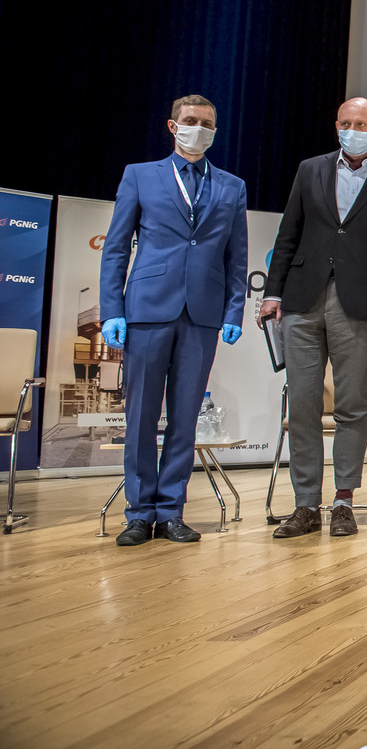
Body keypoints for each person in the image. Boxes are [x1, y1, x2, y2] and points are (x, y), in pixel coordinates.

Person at [258, 97, 367, 539]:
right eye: (346, 123)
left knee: (352, 406)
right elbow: (288, 234)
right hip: (301, 300)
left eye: (361, 124)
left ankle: (344, 501)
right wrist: (272, 292)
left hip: (362, 302)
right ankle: (306, 504)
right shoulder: (310, 169)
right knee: (303, 405)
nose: (353, 130)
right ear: (336, 126)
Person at [99, 95, 249, 545]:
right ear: (172, 125)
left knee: (185, 418)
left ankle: (170, 511)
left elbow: (237, 256)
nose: (198, 128)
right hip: (147, 309)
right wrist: (112, 310)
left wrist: (234, 309)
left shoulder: (232, 186)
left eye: (207, 123)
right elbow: (116, 247)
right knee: (141, 417)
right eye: (190, 121)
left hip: (202, 314)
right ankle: (138, 513)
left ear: (215, 131)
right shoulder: (140, 175)